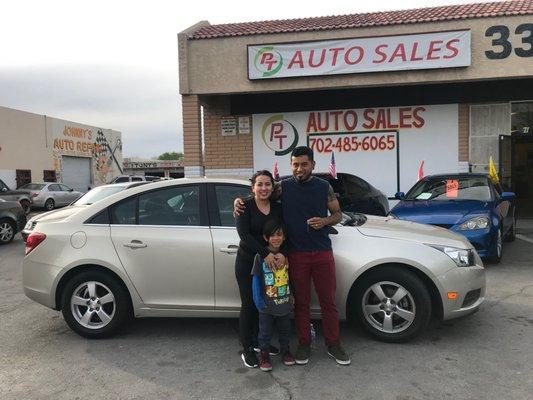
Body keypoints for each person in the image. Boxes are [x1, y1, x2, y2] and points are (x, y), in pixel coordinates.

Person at [234, 146, 350, 366]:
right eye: (295, 164)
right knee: (301, 304)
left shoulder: (324, 186)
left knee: (328, 302)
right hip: (296, 254)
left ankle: (334, 344)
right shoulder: (284, 187)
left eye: (304, 164)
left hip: (322, 251)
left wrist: (324, 221)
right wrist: (239, 201)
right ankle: (304, 345)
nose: (299, 168)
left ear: (313, 165)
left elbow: (338, 214)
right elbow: (261, 193)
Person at [235, 170, 286, 368]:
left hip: (272, 265)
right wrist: (266, 254)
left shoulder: (277, 207)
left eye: (267, 184)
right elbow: (244, 235)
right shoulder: (243, 206)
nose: (264, 188)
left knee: (263, 304)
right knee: (249, 304)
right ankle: (247, 348)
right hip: (249, 262)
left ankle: (259, 343)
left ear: (272, 187)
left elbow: (284, 232)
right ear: (253, 187)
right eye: (260, 184)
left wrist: (282, 253)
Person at [252, 219, 295, 371]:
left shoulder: (286, 257)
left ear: (284, 237)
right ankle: (264, 355)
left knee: (285, 330)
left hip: (283, 302)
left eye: (279, 235)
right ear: (266, 238)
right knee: (265, 332)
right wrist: (258, 300)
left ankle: (286, 350)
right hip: (266, 305)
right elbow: (256, 279)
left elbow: (288, 278)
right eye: (272, 235)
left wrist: (291, 296)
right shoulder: (261, 257)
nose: (276, 238)